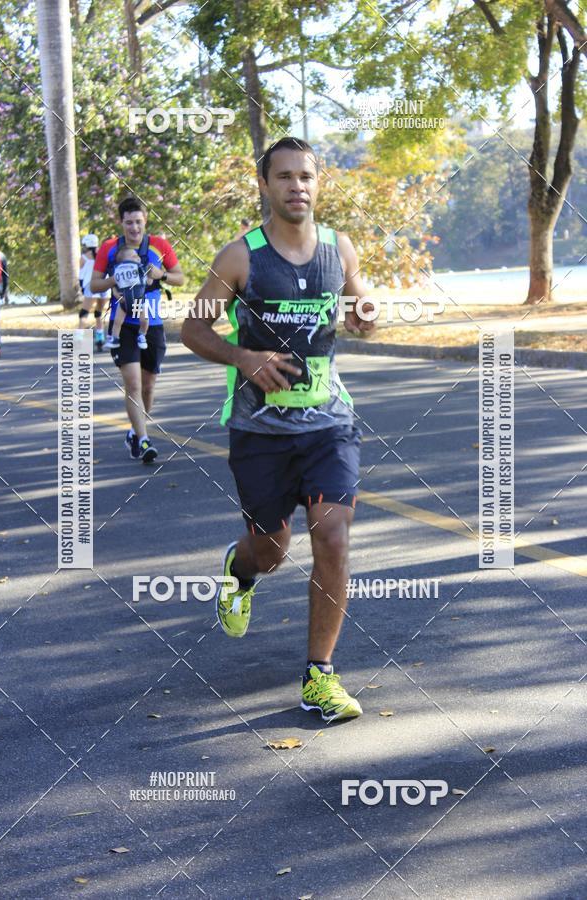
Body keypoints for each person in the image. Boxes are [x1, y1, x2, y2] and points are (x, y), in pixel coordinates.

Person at [181, 137, 374, 723]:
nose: (297, 186)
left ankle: (320, 675)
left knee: (333, 537)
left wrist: (364, 312)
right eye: (285, 177)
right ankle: (239, 573)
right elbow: (193, 330)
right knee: (270, 549)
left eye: (307, 177)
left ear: (319, 184)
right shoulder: (241, 256)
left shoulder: (339, 250)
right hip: (260, 432)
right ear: (264, 185)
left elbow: (360, 316)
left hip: (328, 424)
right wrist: (245, 359)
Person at [91, 196, 184, 463]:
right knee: (133, 385)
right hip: (124, 325)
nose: (134, 228)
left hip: (151, 323)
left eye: (139, 222)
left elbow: (180, 277)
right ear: (121, 222)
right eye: (129, 222)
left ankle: (134, 431)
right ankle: (144, 441)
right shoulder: (110, 248)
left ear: (145, 221)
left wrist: (161, 274)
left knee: (149, 386)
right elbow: (94, 285)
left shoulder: (159, 245)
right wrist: (116, 278)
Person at [104, 246, 150, 351]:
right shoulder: (118, 271)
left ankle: (142, 335)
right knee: (117, 321)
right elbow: (113, 283)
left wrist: (150, 276)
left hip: (138, 301)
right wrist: (115, 292)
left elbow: (148, 282)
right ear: (123, 261)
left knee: (144, 320)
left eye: (137, 255)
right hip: (124, 301)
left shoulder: (141, 268)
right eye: (134, 256)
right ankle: (115, 338)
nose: (138, 258)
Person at [78, 234, 108, 350]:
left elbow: (81, 276)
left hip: (90, 286)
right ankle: (100, 338)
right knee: (99, 313)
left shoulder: (84, 258)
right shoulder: (103, 255)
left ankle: (79, 339)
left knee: (84, 312)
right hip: (104, 287)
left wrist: (81, 287)